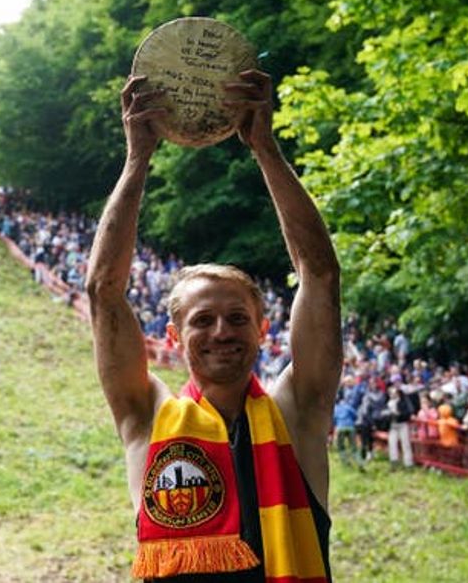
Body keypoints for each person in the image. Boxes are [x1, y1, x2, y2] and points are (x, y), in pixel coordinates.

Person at [87, 71, 340, 580]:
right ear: (174, 337)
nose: (222, 330)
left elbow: (319, 275)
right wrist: (137, 159)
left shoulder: (298, 411)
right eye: (202, 320)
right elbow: (103, 293)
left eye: (238, 318)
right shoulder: (147, 417)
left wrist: (265, 148)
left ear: (263, 330)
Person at [385, 386, 414, 468]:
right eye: (390, 393)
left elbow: (407, 413)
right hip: (392, 425)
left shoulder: (403, 402)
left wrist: (399, 414)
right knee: (392, 443)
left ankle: (408, 463)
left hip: (402, 424)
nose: (392, 395)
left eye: (394, 393)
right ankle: (394, 461)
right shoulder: (388, 403)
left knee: (405, 443)